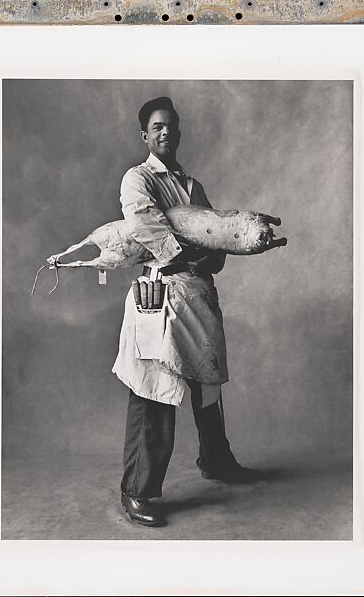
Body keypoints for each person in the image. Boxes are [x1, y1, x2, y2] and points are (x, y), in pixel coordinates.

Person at [112, 96, 258, 528]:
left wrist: (214, 253)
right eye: (157, 126)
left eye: (172, 126)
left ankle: (216, 459)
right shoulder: (137, 180)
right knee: (156, 388)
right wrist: (187, 254)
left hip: (198, 295)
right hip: (159, 296)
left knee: (208, 382)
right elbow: (145, 225)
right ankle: (136, 490)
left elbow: (217, 235)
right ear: (145, 134)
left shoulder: (193, 188)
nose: (166, 132)